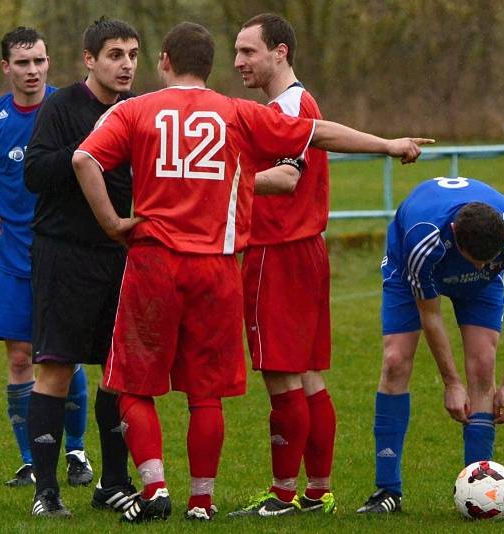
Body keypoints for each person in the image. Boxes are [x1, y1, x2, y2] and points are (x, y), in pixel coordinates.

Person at [72, 21, 431, 523]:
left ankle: (155, 489)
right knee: (209, 393)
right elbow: (318, 134)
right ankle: (203, 501)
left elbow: (84, 158)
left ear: (164, 63)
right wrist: (388, 145)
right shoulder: (238, 112)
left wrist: (113, 224)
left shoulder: (135, 109)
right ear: (211, 66)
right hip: (217, 267)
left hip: (157, 261)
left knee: (132, 384)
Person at [0, 26, 93, 491]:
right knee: (19, 359)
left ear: (49, 63)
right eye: (23, 63)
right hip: (13, 257)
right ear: (6, 67)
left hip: (63, 255)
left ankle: (75, 451)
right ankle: (30, 459)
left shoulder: (68, 109)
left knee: (64, 358)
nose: (33, 71)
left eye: (40, 61)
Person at [356, 177, 504, 514]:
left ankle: (481, 489)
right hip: (409, 264)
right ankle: (387, 491)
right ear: (455, 233)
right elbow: (431, 314)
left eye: (490, 261)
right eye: (476, 260)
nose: (484, 267)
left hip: (478, 288)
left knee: (483, 365)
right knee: (396, 360)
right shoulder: (423, 240)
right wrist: (451, 383)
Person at [22, 18, 140, 518]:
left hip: (122, 257)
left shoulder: (140, 112)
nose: (127, 65)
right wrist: (90, 151)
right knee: (55, 368)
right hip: (64, 256)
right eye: (115, 55)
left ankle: (113, 482)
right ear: (89, 60)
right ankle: (46, 492)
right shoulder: (62, 106)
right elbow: (34, 172)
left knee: (120, 374)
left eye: (133, 55)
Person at [228, 13, 338, 517]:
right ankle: (317, 493)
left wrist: (223, 178)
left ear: (280, 52)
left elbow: (287, 178)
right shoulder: (291, 103)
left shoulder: (290, 105)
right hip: (307, 250)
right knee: (309, 375)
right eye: (237, 51)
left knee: (281, 376)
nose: (238, 62)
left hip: (279, 252)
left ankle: (283, 496)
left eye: (248, 51)